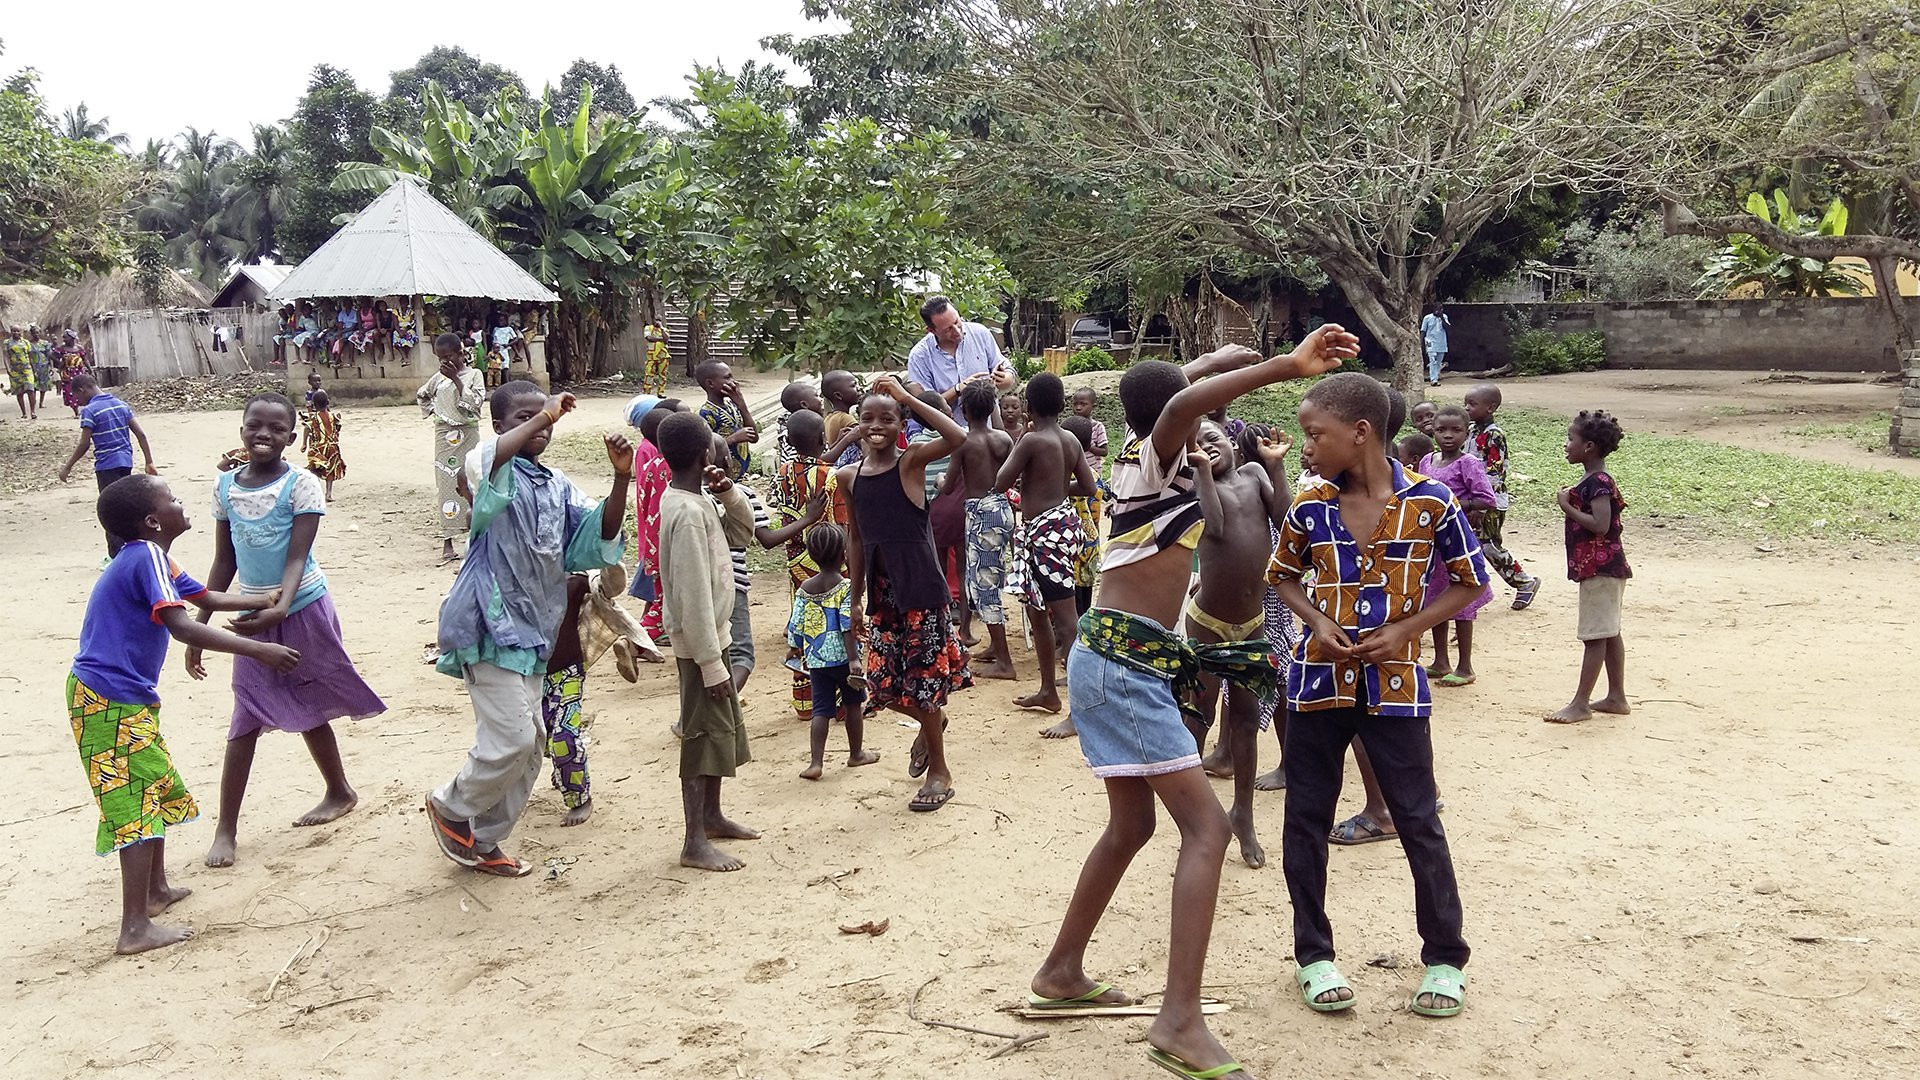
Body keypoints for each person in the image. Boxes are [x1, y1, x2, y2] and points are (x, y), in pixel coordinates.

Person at [1030, 328, 1356, 1080]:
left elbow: (1175, 392)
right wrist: (1284, 367)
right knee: (1205, 829)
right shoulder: (1154, 461)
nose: (1212, 433)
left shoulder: (1152, 469)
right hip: (1121, 664)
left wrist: (1220, 360)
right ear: (1172, 433)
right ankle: (1178, 1020)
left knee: (1131, 825)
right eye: (1201, 427)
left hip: (1119, 658)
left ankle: (1061, 972)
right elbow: (1178, 402)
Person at [1268, 370, 1485, 1021]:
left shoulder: (1430, 502)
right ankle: (1314, 956)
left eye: (1316, 434)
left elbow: (1468, 582)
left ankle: (1445, 958)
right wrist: (1317, 622)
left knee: (1418, 817)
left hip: (1396, 686)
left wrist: (1406, 631)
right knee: (1306, 818)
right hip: (1317, 683)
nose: (1306, 447)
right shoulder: (1310, 507)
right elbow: (1282, 578)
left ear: (1360, 432)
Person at [70, 473, 300, 954]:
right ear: (154, 521)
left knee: (152, 786)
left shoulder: (151, 556)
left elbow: (205, 598)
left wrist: (261, 598)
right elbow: (182, 627)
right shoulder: (146, 557)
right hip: (108, 698)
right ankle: (134, 927)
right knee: (134, 803)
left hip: (117, 695)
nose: (181, 501)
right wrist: (258, 651)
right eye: (172, 498)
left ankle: (155, 892)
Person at [424, 383, 629, 878]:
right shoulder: (489, 466)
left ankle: (485, 838)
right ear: (499, 426)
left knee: (533, 743)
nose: (542, 424)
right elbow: (486, 461)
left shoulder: (557, 484)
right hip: (487, 623)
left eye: (545, 417)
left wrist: (621, 480)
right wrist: (545, 415)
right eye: (525, 417)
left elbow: (595, 538)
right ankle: (450, 806)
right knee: (513, 738)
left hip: (536, 628)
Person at [187, 392, 384, 869]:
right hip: (254, 613)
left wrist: (282, 607)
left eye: (276, 429)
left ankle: (338, 790)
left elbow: (298, 557)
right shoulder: (225, 488)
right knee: (246, 714)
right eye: (255, 425)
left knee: (308, 693)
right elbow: (224, 560)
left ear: (292, 439)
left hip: (304, 608)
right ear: (241, 430)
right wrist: (200, 626)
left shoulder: (303, 485)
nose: (264, 435)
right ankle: (226, 828)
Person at [840, 375, 971, 812]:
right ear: (858, 424)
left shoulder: (911, 462)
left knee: (924, 687)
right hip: (881, 593)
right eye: (868, 418)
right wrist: (855, 597)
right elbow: (856, 540)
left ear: (901, 425)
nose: (877, 425)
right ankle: (934, 723)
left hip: (920, 589)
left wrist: (907, 396)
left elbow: (957, 436)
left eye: (888, 418)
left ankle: (940, 771)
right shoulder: (849, 476)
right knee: (882, 688)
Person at [1184, 418, 1293, 870]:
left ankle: (1242, 814)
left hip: (1253, 623)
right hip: (1208, 622)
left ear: (1232, 441)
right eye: (1196, 446)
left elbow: (1287, 521)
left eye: (1213, 439)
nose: (1207, 447)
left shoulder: (1255, 476)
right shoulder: (1199, 489)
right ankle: (1195, 814)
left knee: (1247, 719)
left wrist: (1276, 468)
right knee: (1200, 714)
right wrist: (1203, 474)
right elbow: (1217, 527)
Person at [656, 412, 759, 871]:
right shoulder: (685, 514)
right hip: (701, 648)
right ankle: (693, 840)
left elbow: (744, 533)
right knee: (700, 739)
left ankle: (712, 817)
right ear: (705, 456)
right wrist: (712, 663)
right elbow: (692, 595)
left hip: (710, 641)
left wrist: (728, 492)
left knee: (718, 734)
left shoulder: (697, 501)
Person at [994, 372, 1095, 719]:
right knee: (1037, 610)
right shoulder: (1071, 440)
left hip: (1044, 532)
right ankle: (1049, 691)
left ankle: (1078, 712)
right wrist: (1057, 489)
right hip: (1061, 527)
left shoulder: (1031, 440)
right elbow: (1089, 487)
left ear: (1028, 407)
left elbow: (1001, 481)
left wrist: (1042, 489)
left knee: (1066, 621)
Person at [1547, 409, 1632, 724]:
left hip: (1601, 567)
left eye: (1571, 439)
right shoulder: (1594, 479)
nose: (1566, 445)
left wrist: (1566, 506)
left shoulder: (1598, 480)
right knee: (1609, 632)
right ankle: (1616, 697)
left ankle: (1580, 703)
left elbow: (1601, 524)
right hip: (1603, 567)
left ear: (1589, 447)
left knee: (1596, 635)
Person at [785, 524, 881, 780]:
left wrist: (794, 648)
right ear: (843, 554)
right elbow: (847, 626)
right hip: (843, 660)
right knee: (852, 706)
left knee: (821, 711)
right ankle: (856, 754)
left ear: (811, 555)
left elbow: (796, 623)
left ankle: (816, 763)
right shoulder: (847, 587)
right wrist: (853, 660)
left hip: (816, 661)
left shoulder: (804, 588)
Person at [770, 408, 842, 719]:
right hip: (829, 561)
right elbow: (842, 524)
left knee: (805, 624)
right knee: (834, 629)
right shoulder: (831, 476)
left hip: (797, 560)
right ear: (822, 438)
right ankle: (839, 702)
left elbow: (780, 507)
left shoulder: (783, 472)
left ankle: (804, 701)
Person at [1418, 405, 1498, 687]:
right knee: (1437, 602)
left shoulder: (1469, 464)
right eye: (1441, 430)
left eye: (1456, 431)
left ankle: (1465, 666)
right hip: (1432, 545)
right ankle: (1441, 661)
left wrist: (1453, 505)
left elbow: (1487, 499)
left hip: (1458, 542)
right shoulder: (1427, 461)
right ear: (1432, 431)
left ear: (1466, 433)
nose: (1448, 436)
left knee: (1463, 603)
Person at [949, 382, 1017, 682]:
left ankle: (1004, 661)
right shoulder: (1003, 438)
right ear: (993, 409)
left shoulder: (962, 442)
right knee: (992, 576)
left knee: (983, 586)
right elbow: (1011, 476)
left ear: (963, 411)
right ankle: (995, 647)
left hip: (980, 515)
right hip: (1002, 509)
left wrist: (938, 484)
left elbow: (949, 484)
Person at [59, 374, 157, 559]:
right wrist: (149, 461)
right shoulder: (121, 405)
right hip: (125, 463)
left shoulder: (90, 410)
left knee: (110, 510)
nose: (78, 401)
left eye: (77, 397)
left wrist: (68, 466)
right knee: (126, 507)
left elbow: (84, 444)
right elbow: (141, 435)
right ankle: (131, 550)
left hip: (106, 466)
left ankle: (116, 556)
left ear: (83, 390)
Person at [1464, 384, 1541, 609]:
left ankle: (1524, 581)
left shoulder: (1494, 435)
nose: (1467, 408)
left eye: (1472, 404)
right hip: (1472, 500)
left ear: (1491, 407)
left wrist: (1482, 504)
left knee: (1488, 544)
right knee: (1473, 544)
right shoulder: (1470, 430)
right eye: (1466, 403)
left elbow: (1495, 472)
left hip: (1490, 502)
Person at [416, 334, 487, 563]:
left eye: (448, 357)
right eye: (440, 358)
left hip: (468, 435)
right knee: (446, 485)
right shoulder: (437, 378)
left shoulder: (474, 375)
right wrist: (436, 412)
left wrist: (456, 379)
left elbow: (475, 404)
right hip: (444, 438)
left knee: (473, 483)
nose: (444, 362)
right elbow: (422, 394)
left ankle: (477, 538)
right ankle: (447, 541)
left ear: (460, 353)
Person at [906, 295, 1017, 410]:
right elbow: (924, 408)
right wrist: (958, 389)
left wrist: (1004, 378)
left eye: (957, 321)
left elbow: (1008, 372)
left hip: (988, 425)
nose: (957, 331)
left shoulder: (980, 333)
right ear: (932, 330)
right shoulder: (919, 356)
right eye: (948, 329)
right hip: (946, 427)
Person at [1060, 415, 1104, 617]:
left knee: (1071, 592)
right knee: (1085, 589)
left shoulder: (1064, 476)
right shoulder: (1094, 477)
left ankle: (1070, 635)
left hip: (1071, 542)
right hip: (1091, 540)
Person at [696, 361, 758, 481]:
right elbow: (706, 451)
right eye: (727, 377)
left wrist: (742, 405)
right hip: (721, 478)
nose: (734, 382)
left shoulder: (733, 405)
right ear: (710, 383)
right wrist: (733, 439)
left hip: (741, 476)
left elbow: (754, 437)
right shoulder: (706, 413)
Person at [300, 390, 346, 502]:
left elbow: (307, 428)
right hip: (332, 448)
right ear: (328, 402)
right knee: (330, 471)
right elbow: (337, 427)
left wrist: (304, 444)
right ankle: (328, 494)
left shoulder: (313, 417)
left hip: (318, 448)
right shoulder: (332, 416)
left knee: (314, 469)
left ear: (314, 405)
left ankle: (314, 492)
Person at [821, 369, 867, 468]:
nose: (859, 388)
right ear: (838, 395)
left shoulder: (829, 417)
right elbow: (865, 445)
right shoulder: (845, 419)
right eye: (853, 385)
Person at [55, 329, 90, 418]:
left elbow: (85, 359)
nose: (64, 340)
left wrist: (90, 369)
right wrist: (60, 363)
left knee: (81, 390)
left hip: (78, 372)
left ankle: (85, 410)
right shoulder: (62, 348)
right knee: (69, 391)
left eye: (65, 338)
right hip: (67, 373)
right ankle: (76, 412)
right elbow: (51, 355)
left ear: (72, 338)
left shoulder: (79, 348)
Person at [8, 325, 36, 419]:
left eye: (18, 331)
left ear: (21, 332)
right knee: (19, 392)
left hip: (27, 369)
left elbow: (30, 356)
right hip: (15, 370)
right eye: (14, 331)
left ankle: (33, 411)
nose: (16, 333)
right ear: (11, 332)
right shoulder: (7, 342)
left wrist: (34, 369)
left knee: (30, 389)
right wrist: (8, 369)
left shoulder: (26, 342)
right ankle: (24, 413)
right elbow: (5, 356)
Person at [1421, 303, 1451, 386]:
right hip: (1430, 342)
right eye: (1437, 309)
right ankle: (1433, 379)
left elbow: (1447, 328)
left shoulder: (1444, 317)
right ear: (1434, 309)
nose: (1439, 311)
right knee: (1432, 360)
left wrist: (1442, 317)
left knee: (1438, 362)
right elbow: (1423, 330)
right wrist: (1421, 343)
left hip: (1441, 342)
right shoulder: (1427, 318)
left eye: (1441, 309)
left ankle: (1436, 377)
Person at [643, 319, 671, 397]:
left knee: (663, 375)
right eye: (656, 320)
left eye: (659, 320)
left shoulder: (665, 330)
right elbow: (649, 338)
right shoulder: (648, 328)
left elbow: (666, 340)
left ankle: (661, 392)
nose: (657, 322)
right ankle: (646, 392)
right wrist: (660, 339)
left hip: (663, 355)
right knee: (648, 374)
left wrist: (661, 328)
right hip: (651, 356)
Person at [29, 327, 55, 412]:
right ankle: (34, 402)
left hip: (44, 366)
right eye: (34, 333)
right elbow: (29, 357)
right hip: (33, 366)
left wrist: (51, 367)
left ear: (40, 333)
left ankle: (41, 402)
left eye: (37, 333)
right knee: (34, 385)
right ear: (31, 334)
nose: (36, 334)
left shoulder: (45, 343)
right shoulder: (29, 344)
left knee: (43, 385)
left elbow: (49, 355)